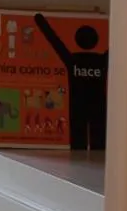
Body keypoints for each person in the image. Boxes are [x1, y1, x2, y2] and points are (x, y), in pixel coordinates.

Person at [33, 13, 108, 149]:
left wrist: (39, 20)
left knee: (78, 144)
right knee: (99, 145)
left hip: (77, 106)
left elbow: (54, 41)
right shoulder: (101, 61)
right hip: (99, 107)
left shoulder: (73, 60)